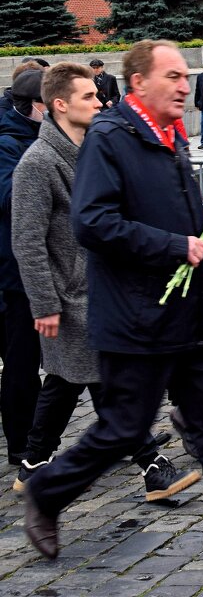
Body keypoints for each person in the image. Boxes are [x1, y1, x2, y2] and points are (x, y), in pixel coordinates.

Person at [22, 40, 203, 560]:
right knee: (123, 427)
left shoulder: (166, 135)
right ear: (138, 83)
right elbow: (92, 222)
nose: (185, 85)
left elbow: (163, 213)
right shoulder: (110, 137)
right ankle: (46, 492)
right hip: (135, 318)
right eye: (172, 76)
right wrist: (174, 244)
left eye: (185, 77)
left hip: (189, 316)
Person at [12, 63, 197, 499]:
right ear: (60, 105)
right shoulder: (37, 163)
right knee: (103, 380)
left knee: (70, 382)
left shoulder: (95, 151)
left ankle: (35, 462)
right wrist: (44, 304)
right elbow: (28, 242)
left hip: (103, 289)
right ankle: (153, 464)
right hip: (68, 296)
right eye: (88, 98)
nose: (100, 103)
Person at [0, 69, 47, 466]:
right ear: (37, 106)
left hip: (55, 266)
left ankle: (128, 438)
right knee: (22, 360)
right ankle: (22, 443)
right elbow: (12, 198)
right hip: (15, 271)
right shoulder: (8, 143)